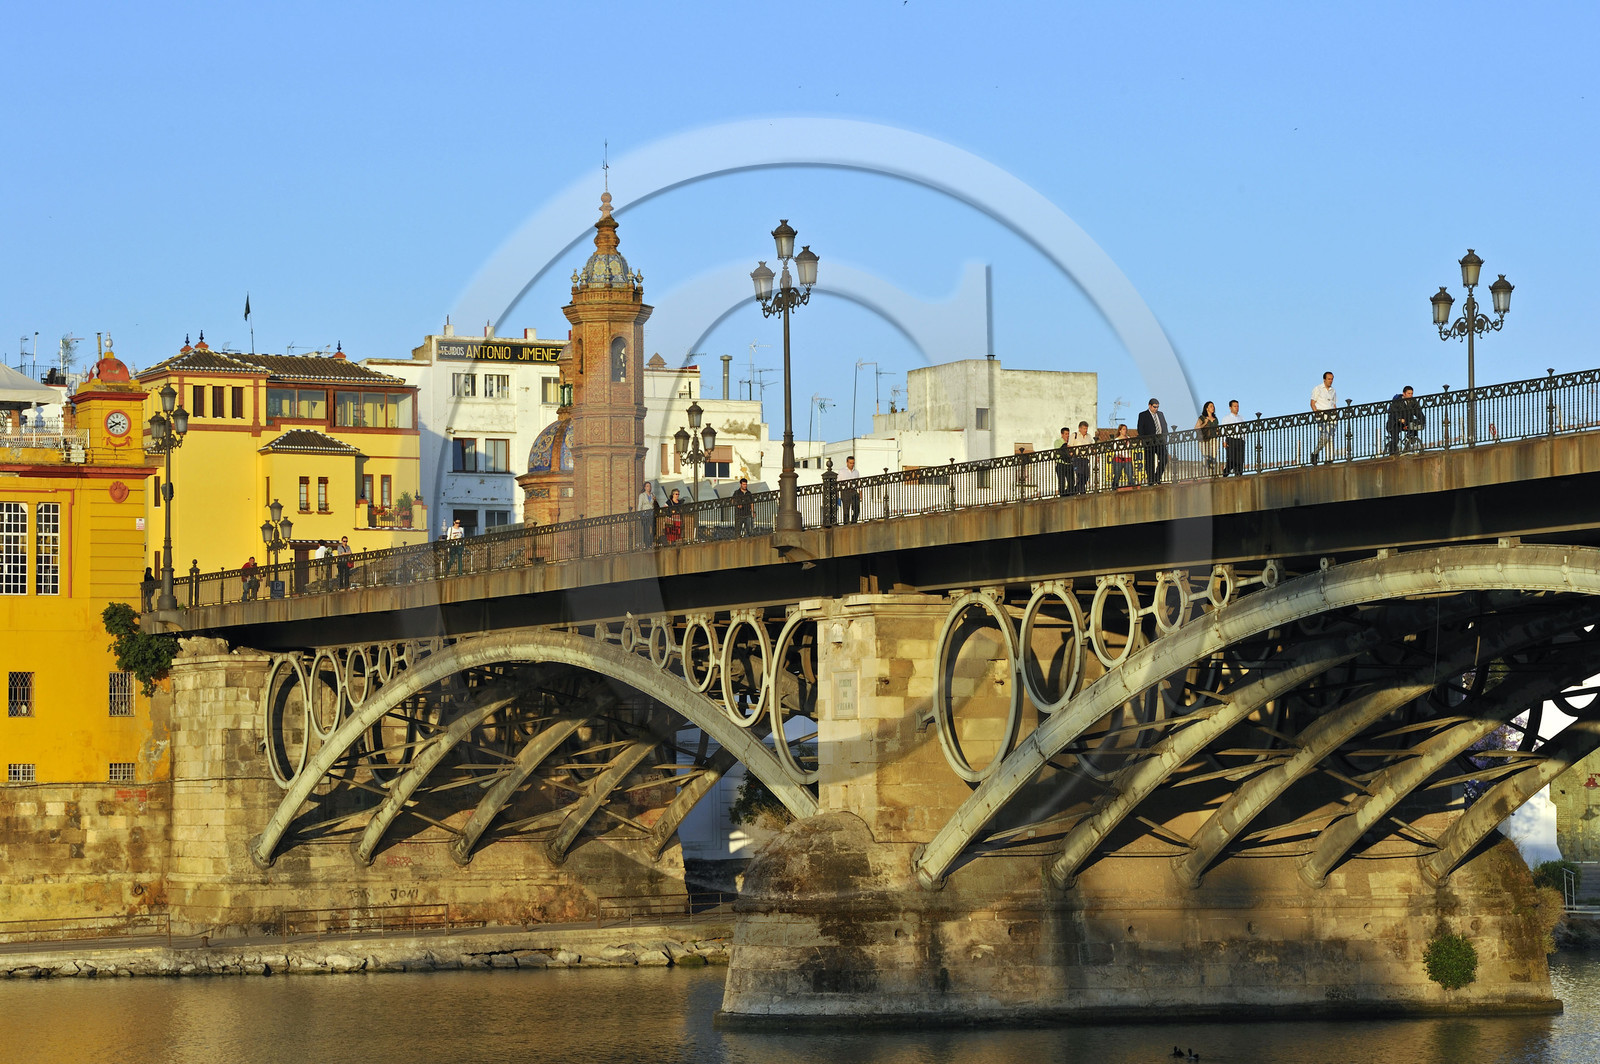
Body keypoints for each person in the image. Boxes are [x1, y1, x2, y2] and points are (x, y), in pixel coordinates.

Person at [1137, 398, 1168, 485]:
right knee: (1150, 462)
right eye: (1154, 407)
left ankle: (1157, 478)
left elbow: (1164, 426)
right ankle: (1151, 480)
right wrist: (1145, 441)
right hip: (1149, 441)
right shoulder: (1143, 415)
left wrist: (1165, 438)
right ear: (1150, 406)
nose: (1156, 409)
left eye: (1157, 407)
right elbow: (1140, 429)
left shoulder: (1160, 414)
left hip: (1160, 440)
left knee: (1164, 459)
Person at [1310, 370, 1337, 464]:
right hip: (1321, 414)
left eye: (1332, 379)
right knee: (1325, 436)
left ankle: (1329, 459)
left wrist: (1335, 414)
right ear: (1324, 379)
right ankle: (1315, 453)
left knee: (1331, 437)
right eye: (1329, 379)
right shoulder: (1318, 389)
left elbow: (1333, 404)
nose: (1331, 381)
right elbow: (1312, 403)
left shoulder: (1333, 391)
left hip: (1331, 416)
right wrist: (1316, 413)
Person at [1387, 386, 1423, 455]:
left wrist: (1422, 420)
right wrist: (1399, 419)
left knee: (1413, 429)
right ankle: (1392, 453)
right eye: (1409, 393)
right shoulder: (1397, 401)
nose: (1411, 395)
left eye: (1411, 393)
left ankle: (1408, 444)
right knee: (1395, 438)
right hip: (1394, 424)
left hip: (1405, 423)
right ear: (1404, 393)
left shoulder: (1413, 402)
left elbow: (1418, 412)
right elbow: (1393, 411)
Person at [1220, 399, 1246, 476]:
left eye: (1238, 406)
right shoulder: (1226, 418)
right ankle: (1225, 474)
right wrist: (1223, 441)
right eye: (1235, 406)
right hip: (1231, 440)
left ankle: (1238, 475)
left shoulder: (1241, 418)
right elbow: (1223, 430)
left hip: (1240, 440)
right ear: (1230, 407)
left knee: (1240, 460)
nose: (1237, 408)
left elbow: (1244, 429)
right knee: (1231, 460)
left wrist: (1244, 440)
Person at [1069, 420, 1094, 494]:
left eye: (1086, 429)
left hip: (1085, 458)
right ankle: (1083, 492)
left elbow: (1091, 446)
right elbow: (1070, 445)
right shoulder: (1075, 435)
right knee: (1080, 475)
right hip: (1077, 458)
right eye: (1084, 428)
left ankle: (1074, 490)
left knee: (1086, 477)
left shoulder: (1088, 436)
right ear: (1080, 428)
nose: (1085, 430)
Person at [1196, 401, 1220, 474]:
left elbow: (1217, 429)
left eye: (1213, 406)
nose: (1213, 408)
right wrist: (1205, 423)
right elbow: (1196, 428)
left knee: (1213, 455)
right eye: (1211, 406)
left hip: (1213, 439)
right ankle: (1206, 472)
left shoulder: (1215, 419)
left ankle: (1212, 471)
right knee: (1206, 455)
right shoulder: (1202, 418)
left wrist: (1218, 432)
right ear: (1207, 408)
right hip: (1204, 439)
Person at [1111, 424, 1136, 488]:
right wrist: (1118, 454)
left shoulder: (1128, 438)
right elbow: (1115, 449)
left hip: (1127, 458)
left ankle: (1131, 485)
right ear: (1120, 430)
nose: (1125, 431)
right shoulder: (1117, 439)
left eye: (1125, 429)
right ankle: (1114, 487)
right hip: (1118, 459)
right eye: (1123, 429)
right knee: (1117, 475)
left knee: (1130, 474)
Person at [840, 455, 861, 523]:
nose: (852, 464)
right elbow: (838, 483)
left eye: (853, 463)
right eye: (850, 463)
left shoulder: (856, 472)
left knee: (856, 509)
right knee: (846, 510)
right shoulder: (842, 471)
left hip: (854, 491)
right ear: (847, 463)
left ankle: (853, 522)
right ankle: (846, 524)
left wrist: (860, 492)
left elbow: (858, 483)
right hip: (845, 492)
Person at [1054, 426, 1072, 497]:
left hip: (1069, 464)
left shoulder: (1070, 442)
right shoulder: (1057, 442)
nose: (1067, 436)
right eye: (1066, 434)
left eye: (1068, 434)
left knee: (1071, 481)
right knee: (1062, 482)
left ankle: (1068, 494)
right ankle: (1062, 495)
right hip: (1061, 463)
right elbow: (1059, 452)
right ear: (1062, 434)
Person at [637, 481, 656, 547]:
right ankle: (647, 543)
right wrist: (639, 514)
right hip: (645, 514)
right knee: (646, 529)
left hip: (651, 513)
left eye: (650, 486)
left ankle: (651, 541)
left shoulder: (652, 495)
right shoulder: (642, 495)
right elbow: (640, 505)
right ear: (645, 487)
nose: (649, 488)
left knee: (654, 528)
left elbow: (654, 504)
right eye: (647, 486)